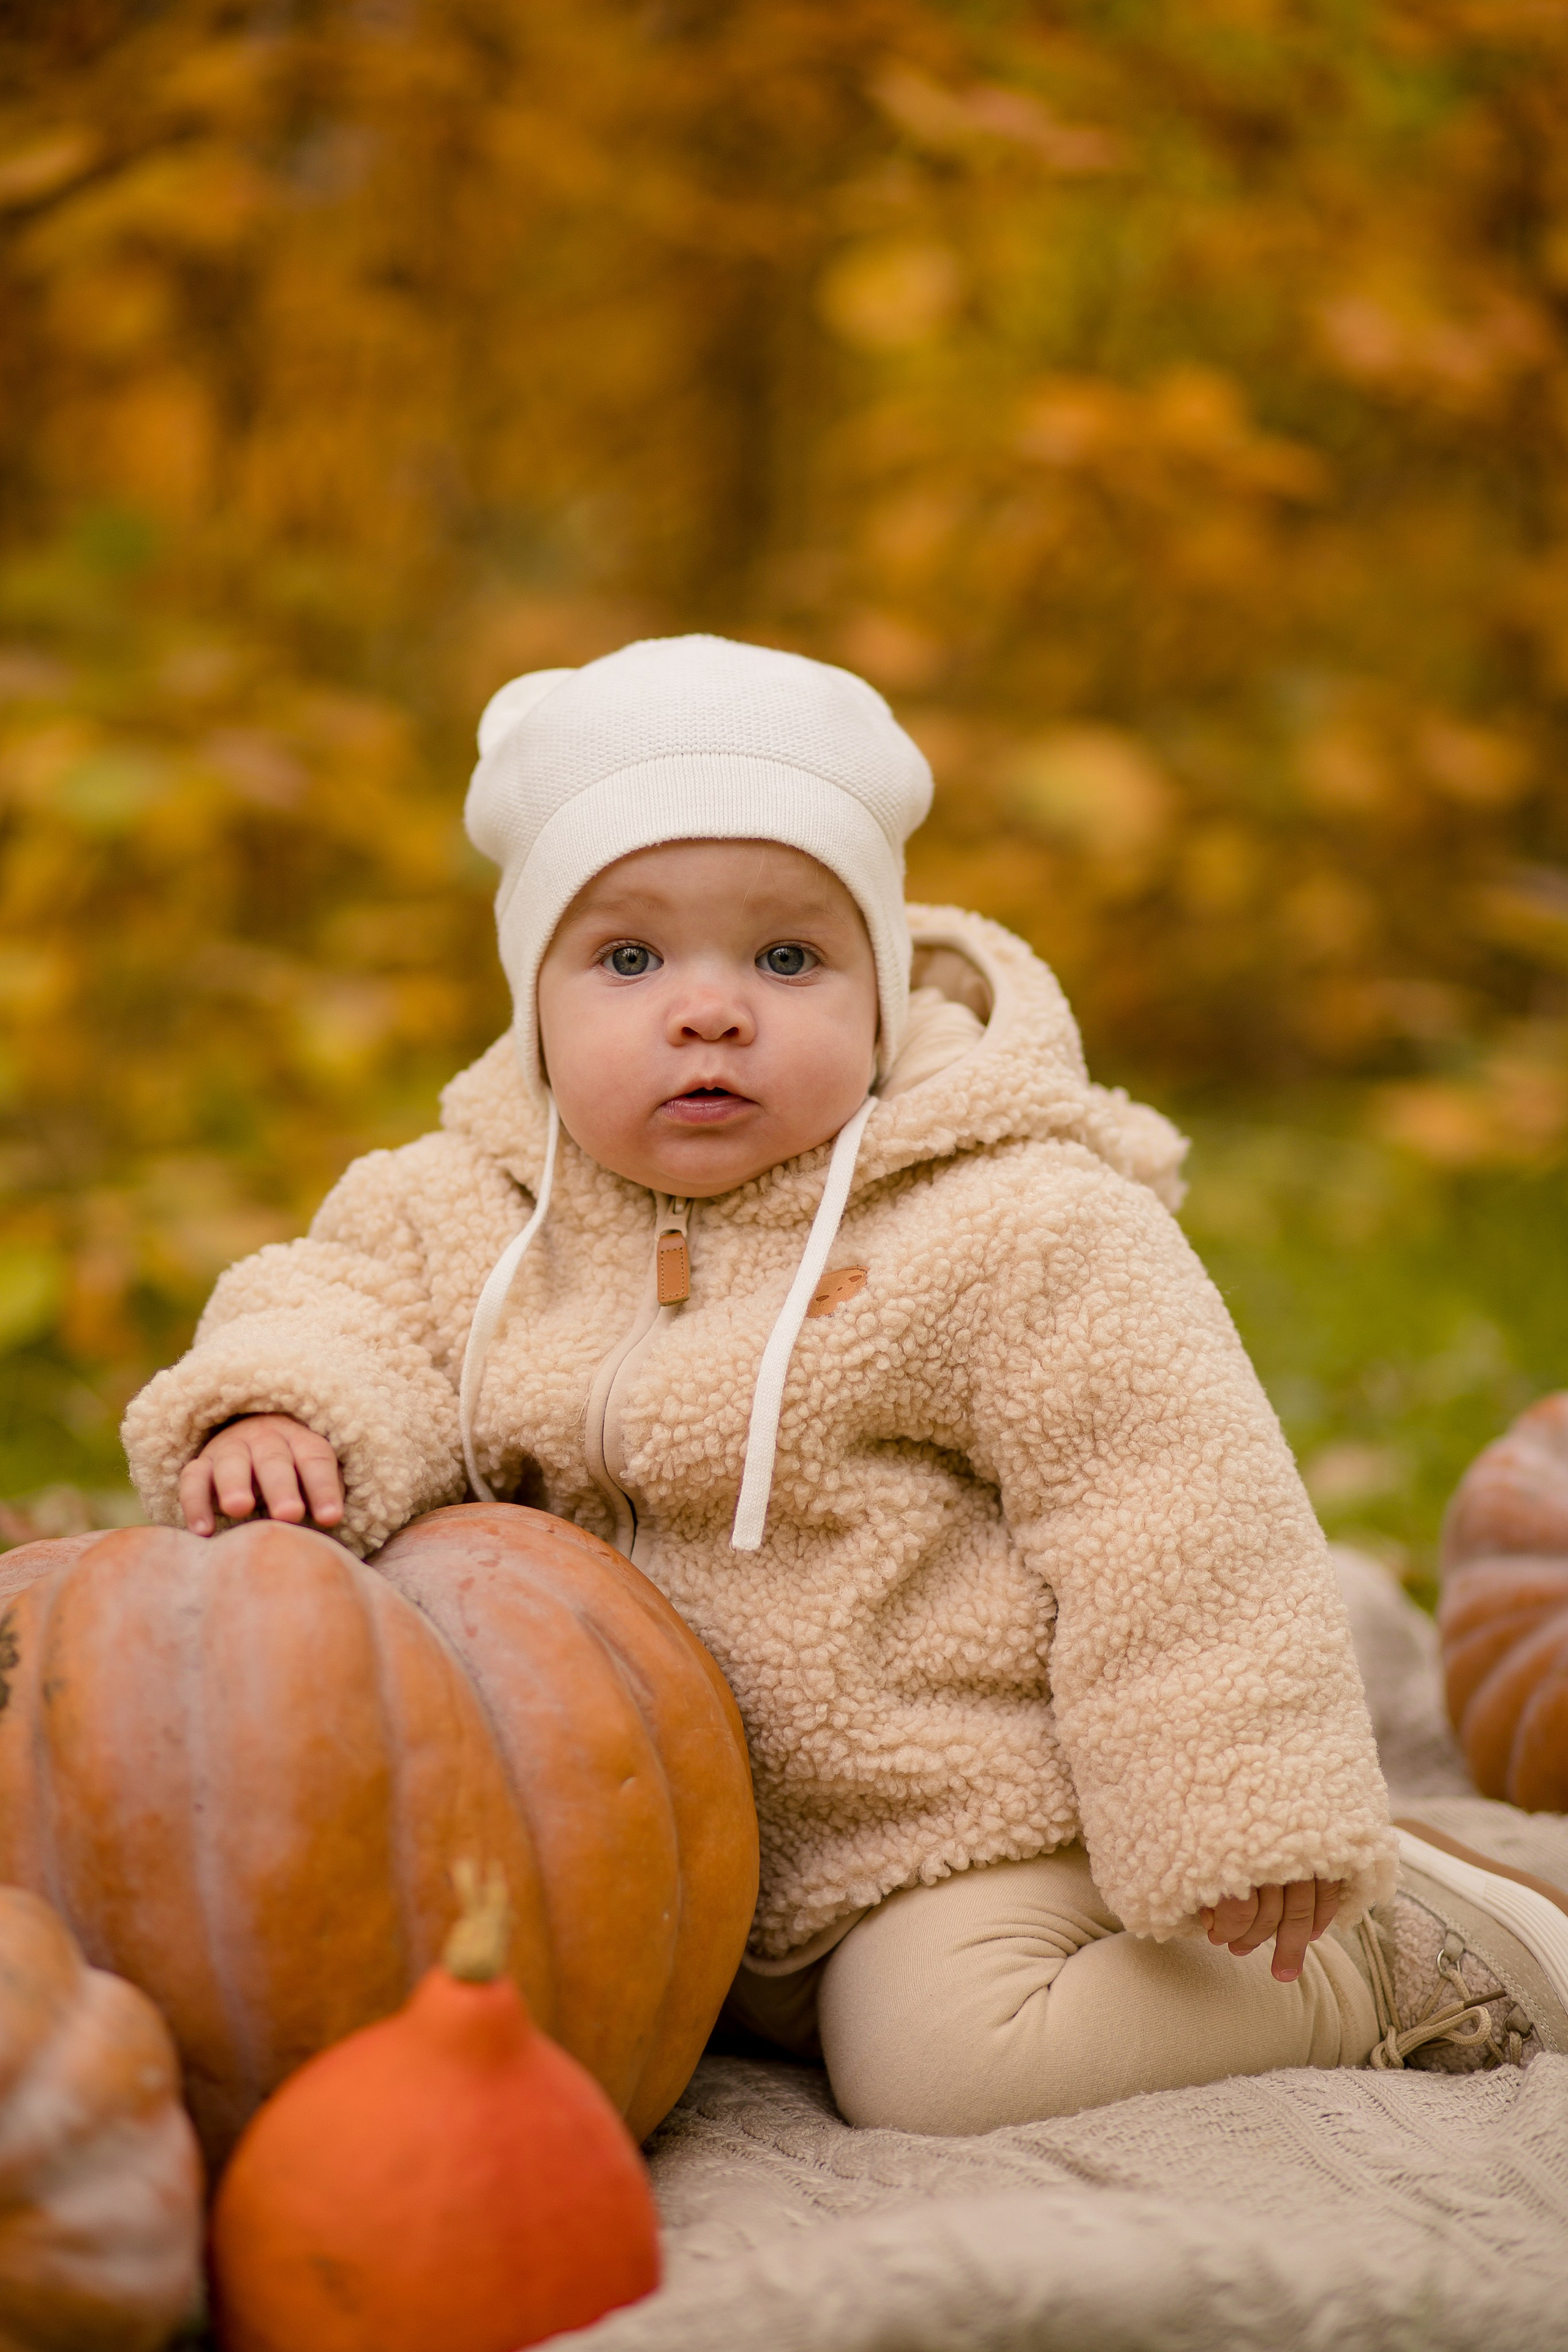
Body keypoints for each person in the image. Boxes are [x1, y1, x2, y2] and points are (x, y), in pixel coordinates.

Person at [123, 636, 1568, 2129]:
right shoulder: (461, 1209)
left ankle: (1397, 1963)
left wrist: (1238, 1801)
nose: (708, 1011)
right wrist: (277, 1404)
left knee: (944, 2072)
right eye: (627, 958)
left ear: (876, 979)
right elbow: (336, 1303)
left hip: (954, 1828)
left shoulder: (1007, 1219)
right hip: (637, 1858)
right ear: (530, 998)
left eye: (786, 957)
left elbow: (1175, 1504)